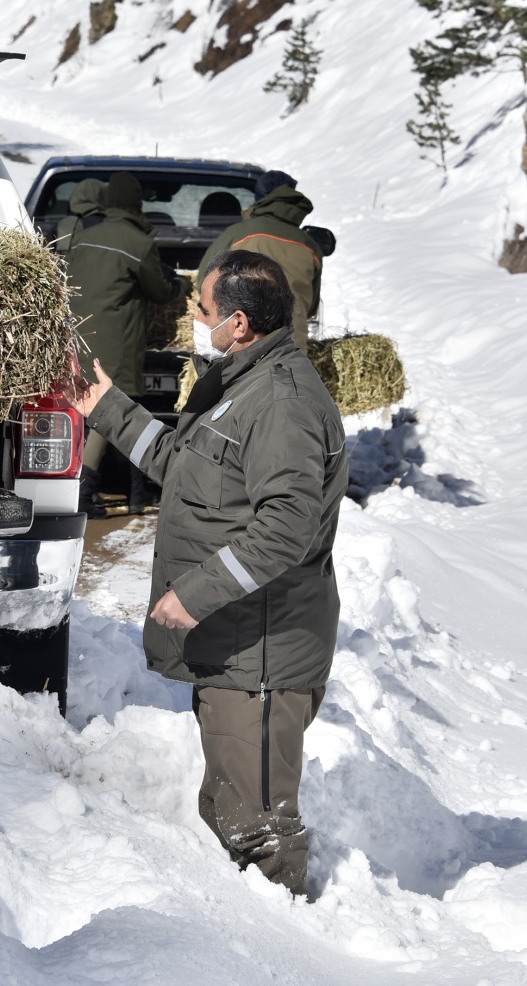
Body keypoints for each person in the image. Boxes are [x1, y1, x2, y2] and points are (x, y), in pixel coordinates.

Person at [73, 249, 349, 898]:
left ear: (241, 322)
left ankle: (281, 950)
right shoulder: (238, 379)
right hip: (237, 644)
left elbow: (286, 526)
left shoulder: (279, 402)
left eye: (202, 309)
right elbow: (183, 465)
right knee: (231, 807)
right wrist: (107, 406)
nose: (194, 318)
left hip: (262, 655)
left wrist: (194, 595)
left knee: (258, 830)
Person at [64, 170, 189, 515]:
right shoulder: (138, 243)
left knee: (115, 411)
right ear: (137, 206)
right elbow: (160, 292)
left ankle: (137, 494)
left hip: (81, 334)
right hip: (117, 340)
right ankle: (83, 495)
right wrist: (182, 286)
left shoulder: (84, 237)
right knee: (110, 411)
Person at [196, 170, 327, 334]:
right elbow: (311, 307)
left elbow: (203, 283)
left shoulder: (236, 235)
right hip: (292, 349)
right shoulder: (310, 246)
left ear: (259, 198)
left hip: (240, 347)